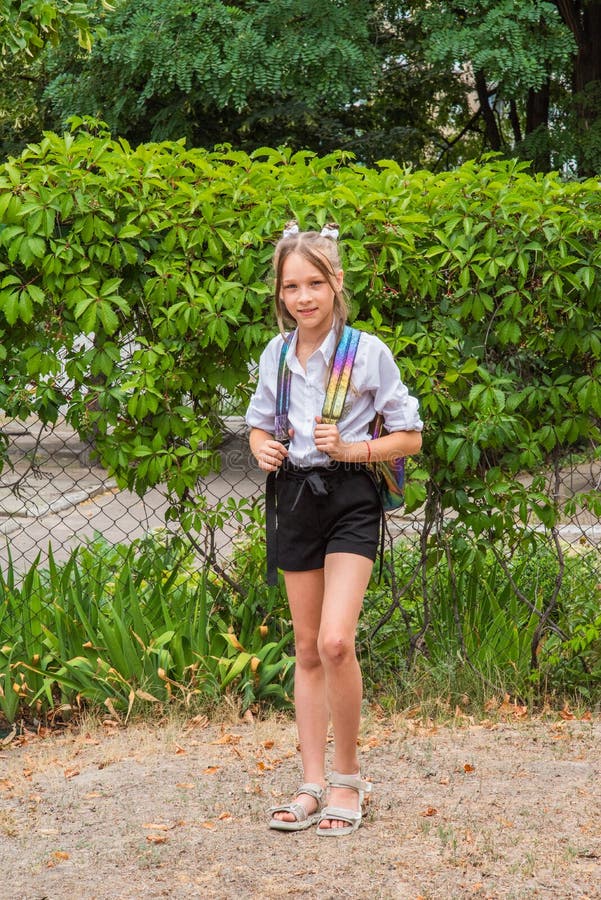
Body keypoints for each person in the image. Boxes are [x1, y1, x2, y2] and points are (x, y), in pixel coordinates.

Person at [245, 221, 423, 836]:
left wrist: (352, 451)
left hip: (350, 497)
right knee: (304, 646)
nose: (303, 297)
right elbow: (259, 427)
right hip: (294, 497)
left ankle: (348, 780)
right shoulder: (276, 355)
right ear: (280, 293)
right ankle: (311, 784)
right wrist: (263, 448)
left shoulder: (367, 352)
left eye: (314, 283)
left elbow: (411, 438)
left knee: (335, 641)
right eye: (291, 286)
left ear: (336, 283)